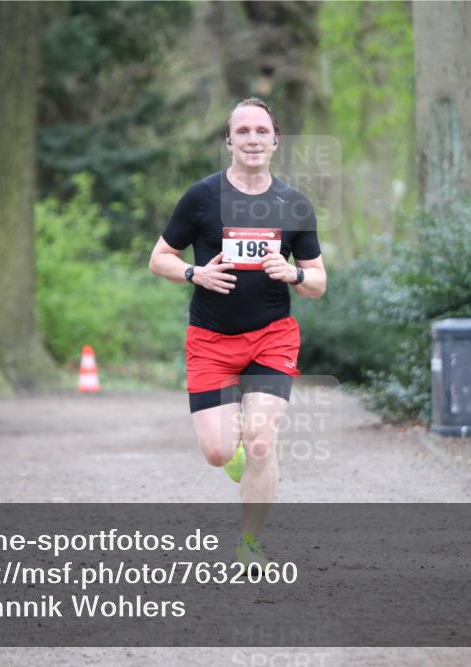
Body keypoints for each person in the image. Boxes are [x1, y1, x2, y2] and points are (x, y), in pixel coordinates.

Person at [148, 97, 326, 571]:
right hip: (210, 340)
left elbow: (318, 282)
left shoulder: (294, 204)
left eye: (261, 131)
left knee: (262, 440)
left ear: (275, 141)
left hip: (272, 337)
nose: (252, 139)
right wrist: (193, 274)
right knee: (218, 452)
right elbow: (158, 257)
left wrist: (291, 275)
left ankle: (248, 543)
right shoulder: (202, 197)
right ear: (229, 140)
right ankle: (236, 454)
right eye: (242, 131)